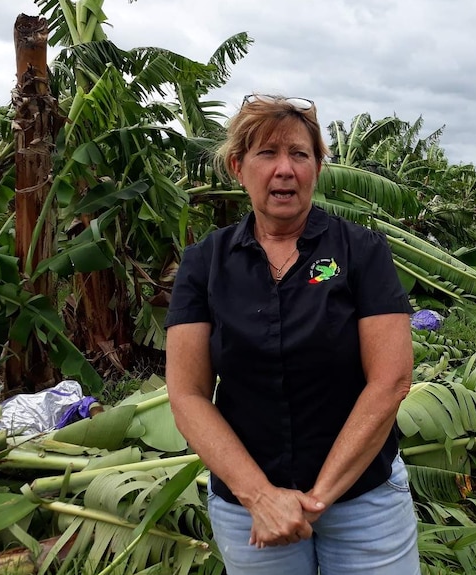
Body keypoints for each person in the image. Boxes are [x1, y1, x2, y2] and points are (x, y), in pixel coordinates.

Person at [164, 94, 420, 575]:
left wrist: (316, 499)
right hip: (249, 509)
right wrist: (261, 497)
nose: (285, 169)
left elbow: (391, 380)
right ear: (239, 167)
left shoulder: (361, 251)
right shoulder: (205, 263)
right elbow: (187, 393)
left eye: (300, 154)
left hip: (364, 500)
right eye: (267, 154)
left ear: (317, 167)